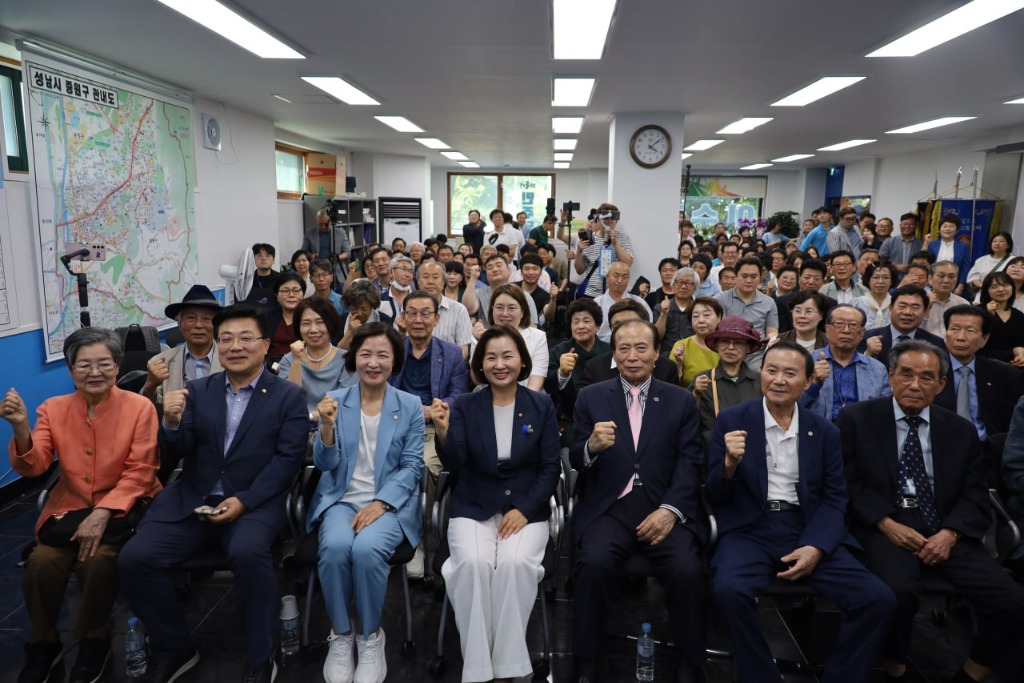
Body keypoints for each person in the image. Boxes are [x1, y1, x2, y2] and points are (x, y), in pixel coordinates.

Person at [118, 305, 308, 683]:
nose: (235, 346)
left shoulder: (287, 396)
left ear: (266, 344)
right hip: (193, 498)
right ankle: (174, 647)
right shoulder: (198, 391)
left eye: (245, 338)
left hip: (254, 502)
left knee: (247, 551)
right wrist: (170, 424)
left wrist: (245, 500)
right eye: (227, 339)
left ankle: (258, 655)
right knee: (134, 559)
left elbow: (288, 461)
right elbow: (172, 454)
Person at [708, 341, 896, 683]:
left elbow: (835, 497)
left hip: (807, 525)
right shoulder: (733, 420)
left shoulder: (823, 431)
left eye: (790, 373)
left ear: (808, 382)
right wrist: (728, 464)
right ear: (760, 373)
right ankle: (760, 675)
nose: (778, 380)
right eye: (771, 370)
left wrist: (817, 546)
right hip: (750, 528)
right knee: (728, 590)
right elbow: (714, 495)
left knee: (877, 598)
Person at [838, 340, 1024, 683]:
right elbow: (848, 485)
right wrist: (886, 523)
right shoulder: (857, 419)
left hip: (944, 527)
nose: (914, 384)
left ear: (941, 385)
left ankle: (970, 674)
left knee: (1013, 601)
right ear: (891, 376)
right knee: (895, 593)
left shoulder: (959, 430)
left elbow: (975, 493)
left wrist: (950, 534)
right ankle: (896, 667)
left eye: (927, 377)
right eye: (905, 374)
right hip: (885, 525)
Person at [5, 328, 161, 683]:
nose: (94, 372)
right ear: (71, 370)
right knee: (42, 563)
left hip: (124, 506)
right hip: (68, 510)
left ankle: (94, 638)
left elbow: (142, 471)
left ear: (117, 366)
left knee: (99, 560)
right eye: (84, 365)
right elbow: (35, 465)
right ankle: (43, 641)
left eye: (104, 363)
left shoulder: (139, 408)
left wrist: (104, 512)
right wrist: (19, 428)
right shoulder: (54, 409)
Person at [569, 319, 706, 683]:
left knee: (687, 570)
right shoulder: (591, 396)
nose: (633, 357)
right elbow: (575, 458)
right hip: (609, 508)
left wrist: (670, 510)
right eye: (624, 348)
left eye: (642, 348)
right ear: (613, 354)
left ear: (657, 353)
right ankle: (586, 660)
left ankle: (690, 661)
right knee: (593, 564)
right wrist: (590, 448)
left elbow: (691, 461)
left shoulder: (679, 400)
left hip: (663, 508)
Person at [430, 326, 560, 682]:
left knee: (516, 565)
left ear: (522, 361)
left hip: (526, 508)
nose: (499, 364)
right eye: (491, 357)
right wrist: (442, 432)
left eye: (507, 356)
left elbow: (551, 467)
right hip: (473, 504)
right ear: (480, 364)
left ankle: (504, 671)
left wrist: (526, 508)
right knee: (473, 564)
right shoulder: (467, 405)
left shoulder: (540, 404)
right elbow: (456, 465)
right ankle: (478, 670)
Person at [307, 323, 424, 683]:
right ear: (354, 358)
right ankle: (341, 635)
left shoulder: (409, 405)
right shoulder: (336, 401)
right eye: (366, 354)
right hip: (341, 499)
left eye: (383, 355)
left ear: (395, 361)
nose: (373, 363)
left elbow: (412, 466)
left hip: (389, 503)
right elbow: (324, 465)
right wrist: (325, 428)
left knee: (368, 550)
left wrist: (382, 503)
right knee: (336, 548)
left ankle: (371, 636)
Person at [388, 289, 468, 576]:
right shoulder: (392, 350)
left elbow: (459, 395)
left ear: (436, 319)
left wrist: (436, 408)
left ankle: (419, 540)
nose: (418, 319)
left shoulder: (451, 354)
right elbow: (379, 391)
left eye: (425, 314)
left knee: (424, 467)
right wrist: (411, 410)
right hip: (395, 423)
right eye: (412, 313)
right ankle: (388, 533)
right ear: (403, 318)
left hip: (435, 427)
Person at [934, 305, 1024, 448]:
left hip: (987, 450)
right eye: (954, 329)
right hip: (940, 448)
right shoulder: (930, 370)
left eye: (970, 331)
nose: (961, 337)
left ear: (985, 339)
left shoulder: (1003, 374)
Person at [799, 304, 891, 422]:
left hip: (860, 433)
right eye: (839, 324)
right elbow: (792, 405)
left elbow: (885, 411)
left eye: (853, 325)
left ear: (862, 333)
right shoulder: (806, 361)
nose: (846, 330)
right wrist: (815, 384)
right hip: (818, 432)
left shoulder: (877, 369)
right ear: (827, 329)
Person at [142, 284, 223, 407]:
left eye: (207, 318)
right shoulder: (160, 363)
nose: (199, 325)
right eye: (191, 318)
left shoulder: (232, 359)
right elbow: (150, 409)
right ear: (179, 324)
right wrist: (150, 384)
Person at [547, 299, 610, 447]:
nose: (581, 326)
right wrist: (562, 373)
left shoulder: (610, 351)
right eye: (575, 322)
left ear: (597, 325)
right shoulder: (559, 351)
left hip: (606, 419)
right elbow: (549, 386)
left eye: (586, 321)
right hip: (570, 420)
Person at [577, 300, 679, 390]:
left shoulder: (667, 368)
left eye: (630, 323)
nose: (624, 329)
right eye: (616, 325)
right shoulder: (595, 367)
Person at [279, 297, 355, 413]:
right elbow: (289, 402)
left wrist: (314, 417)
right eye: (306, 323)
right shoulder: (289, 360)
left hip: (334, 424)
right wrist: (297, 361)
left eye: (320, 322)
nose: (313, 330)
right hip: (295, 424)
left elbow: (344, 403)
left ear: (331, 324)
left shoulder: (347, 360)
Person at [691, 316, 763, 435]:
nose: (730, 347)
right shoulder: (703, 380)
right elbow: (688, 419)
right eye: (725, 341)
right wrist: (696, 394)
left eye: (738, 343)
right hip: (715, 447)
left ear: (747, 347)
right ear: (717, 345)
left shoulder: (759, 380)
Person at [480, 284, 547, 391]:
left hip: (528, 399)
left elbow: (536, 380)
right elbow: (477, 377)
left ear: (522, 312)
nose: (505, 314)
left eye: (511, 308)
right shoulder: (482, 336)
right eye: (499, 308)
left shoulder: (538, 337)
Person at [860, 285, 945, 362]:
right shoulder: (867, 338)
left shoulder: (936, 344)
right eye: (902, 306)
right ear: (890, 307)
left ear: (925, 312)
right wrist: (868, 354)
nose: (907, 312)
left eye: (915, 307)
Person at [574, 203, 635, 298]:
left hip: (614, 294)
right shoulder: (590, 239)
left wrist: (615, 243)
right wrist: (579, 251)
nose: (609, 221)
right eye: (606, 217)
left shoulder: (623, 238)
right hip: (590, 293)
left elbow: (628, 264)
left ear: (617, 221)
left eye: (613, 218)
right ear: (598, 219)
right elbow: (579, 270)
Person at [715, 256, 779, 343]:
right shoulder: (720, 299)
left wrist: (772, 338)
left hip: (759, 353)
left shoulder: (769, 302)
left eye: (753, 277)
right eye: (744, 276)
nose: (749, 280)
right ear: (736, 276)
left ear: (760, 277)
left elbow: (772, 331)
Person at [416, 261, 474, 357]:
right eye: (425, 277)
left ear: (443, 282)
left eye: (435, 277)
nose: (430, 281)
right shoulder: (408, 308)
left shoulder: (459, 310)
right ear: (418, 282)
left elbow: (463, 350)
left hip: (449, 368)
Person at [464, 255, 539, 327]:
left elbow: (532, 326)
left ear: (509, 270)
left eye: (499, 265)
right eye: (490, 268)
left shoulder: (523, 295)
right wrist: (473, 278)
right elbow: (469, 309)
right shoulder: (479, 293)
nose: (495, 270)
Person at [669, 297, 723, 388]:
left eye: (706, 315)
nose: (701, 320)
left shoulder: (726, 344)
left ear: (719, 317)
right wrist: (679, 364)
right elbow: (671, 384)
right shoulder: (682, 346)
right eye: (695, 316)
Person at [977, 271, 1024, 365]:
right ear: (987, 291)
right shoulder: (978, 311)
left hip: (1010, 363)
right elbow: (977, 341)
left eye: (1005, 285)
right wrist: (988, 315)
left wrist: (1020, 356)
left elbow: (1018, 343)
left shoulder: (1018, 315)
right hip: (983, 359)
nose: (1001, 289)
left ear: (1012, 288)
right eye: (994, 287)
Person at [264, 272, 306, 369]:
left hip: (304, 366)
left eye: (296, 290)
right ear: (276, 295)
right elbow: (260, 350)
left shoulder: (310, 317)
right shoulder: (267, 318)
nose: (291, 295)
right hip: (272, 367)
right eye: (285, 291)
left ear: (303, 293)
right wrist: (276, 367)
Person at [654, 267, 699, 357]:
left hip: (693, 354)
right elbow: (656, 337)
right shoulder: (660, 308)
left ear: (695, 287)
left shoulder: (699, 309)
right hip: (666, 355)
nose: (683, 286)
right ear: (673, 285)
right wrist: (663, 314)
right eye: (680, 282)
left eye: (688, 283)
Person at [303, 207, 351, 286]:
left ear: (331, 221)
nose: (322, 227)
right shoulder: (310, 232)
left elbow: (347, 252)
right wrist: (311, 255)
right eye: (320, 224)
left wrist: (337, 257)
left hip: (337, 274)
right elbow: (303, 252)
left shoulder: (340, 233)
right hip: (318, 273)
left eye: (325, 224)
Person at [924, 215, 971, 293]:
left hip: (954, 285)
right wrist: (926, 243)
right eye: (945, 226)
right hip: (932, 284)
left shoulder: (963, 246)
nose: (947, 229)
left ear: (957, 230)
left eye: (951, 227)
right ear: (940, 229)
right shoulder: (932, 244)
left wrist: (960, 286)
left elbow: (965, 267)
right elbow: (923, 261)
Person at [923, 261, 970, 337]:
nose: (946, 281)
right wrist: (926, 309)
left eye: (951, 277)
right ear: (930, 279)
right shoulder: (920, 301)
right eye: (941, 276)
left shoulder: (963, 304)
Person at [338, 279, 386, 350]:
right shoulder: (342, 320)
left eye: (364, 309)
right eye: (355, 309)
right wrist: (350, 332)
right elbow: (336, 351)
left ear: (372, 306)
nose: (359, 313)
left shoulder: (384, 320)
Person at [967, 232, 1014, 296]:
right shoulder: (981, 260)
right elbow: (973, 278)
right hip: (983, 296)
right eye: (994, 241)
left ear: (1008, 245)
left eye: (1001, 241)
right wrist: (986, 287)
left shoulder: (1013, 261)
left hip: (1005, 296)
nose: (997, 243)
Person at [878, 213, 923, 278]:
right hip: (893, 278)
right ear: (900, 225)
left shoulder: (920, 244)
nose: (907, 226)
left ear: (915, 226)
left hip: (912, 278)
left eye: (911, 224)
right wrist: (895, 266)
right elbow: (880, 260)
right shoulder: (889, 241)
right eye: (905, 224)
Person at [853, 261, 895, 329]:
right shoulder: (856, 303)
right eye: (876, 277)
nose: (880, 281)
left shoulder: (896, 304)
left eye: (886, 277)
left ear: (892, 281)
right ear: (868, 280)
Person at [378, 254, 416, 323]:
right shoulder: (380, 300)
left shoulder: (417, 299)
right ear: (391, 272)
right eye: (403, 269)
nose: (407, 275)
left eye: (410, 271)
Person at [244, 243, 281, 310]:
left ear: (273, 260)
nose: (263, 258)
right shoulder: (247, 280)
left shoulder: (281, 279)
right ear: (254, 259)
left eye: (267, 255)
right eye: (259, 255)